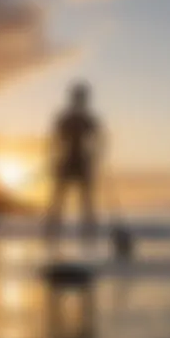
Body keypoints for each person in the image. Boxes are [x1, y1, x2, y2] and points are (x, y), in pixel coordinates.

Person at [46, 81, 105, 242]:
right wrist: (52, 160)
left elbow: (99, 140)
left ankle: (88, 235)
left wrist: (96, 156)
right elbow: (54, 142)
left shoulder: (86, 119)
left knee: (85, 201)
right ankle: (52, 233)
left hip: (80, 161)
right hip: (68, 161)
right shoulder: (69, 119)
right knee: (61, 199)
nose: (81, 101)